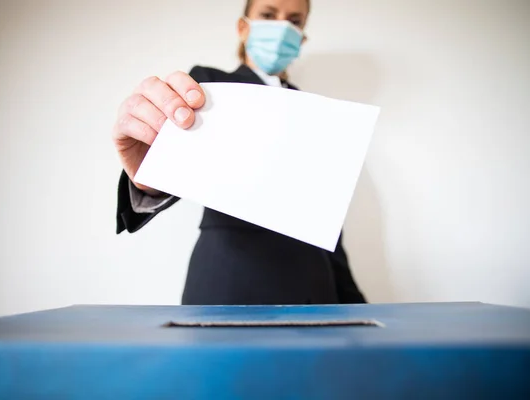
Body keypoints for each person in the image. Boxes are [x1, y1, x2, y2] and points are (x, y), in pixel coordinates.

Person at [113, 0, 366, 305]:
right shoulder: (207, 85)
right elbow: (176, 165)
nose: (282, 27)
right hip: (231, 275)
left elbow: (327, 218)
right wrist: (150, 175)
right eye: (269, 15)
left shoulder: (322, 113)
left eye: (295, 21)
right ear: (243, 27)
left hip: (312, 281)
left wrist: (353, 302)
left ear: (302, 38)